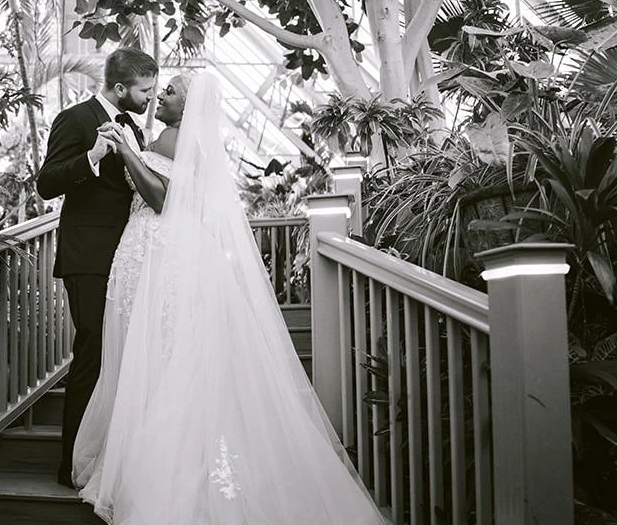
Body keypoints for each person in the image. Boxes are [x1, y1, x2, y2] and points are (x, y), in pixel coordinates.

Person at [72, 72, 390, 524]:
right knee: (167, 354)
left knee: (158, 357)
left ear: (189, 105)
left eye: (171, 92)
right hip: (164, 250)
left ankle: (162, 469)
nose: (161, 94)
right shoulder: (187, 141)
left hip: (157, 250)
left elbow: (162, 197)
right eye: (161, 90)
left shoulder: (169, 137)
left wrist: (125, 149)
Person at [35, 47, 158, 489]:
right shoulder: (75, 119)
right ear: (120, 87)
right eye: (144, 90)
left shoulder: (138, 130)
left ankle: (107, 455)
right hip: (87, 256)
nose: (150, 98)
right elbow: (47, 182)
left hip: (127, 256)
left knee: (117, 354)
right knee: (91, 349)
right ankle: (72, 464)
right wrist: (91, 157)